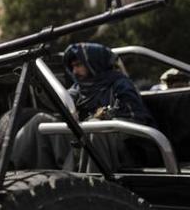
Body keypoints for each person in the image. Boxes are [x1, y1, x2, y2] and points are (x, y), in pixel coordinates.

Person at [10, 42, 156, 172]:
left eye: (79, 65)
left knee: (95, 128)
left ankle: (84, 183)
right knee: (39, 121)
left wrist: (103, 118)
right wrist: (41, 86)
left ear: (94, 63)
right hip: (84, 138)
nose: (74, 71)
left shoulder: (120, 84)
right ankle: (9, 166)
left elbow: (136, 119)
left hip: (124, 148)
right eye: (72, 66)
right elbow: (60, 104)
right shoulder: (80, 88)